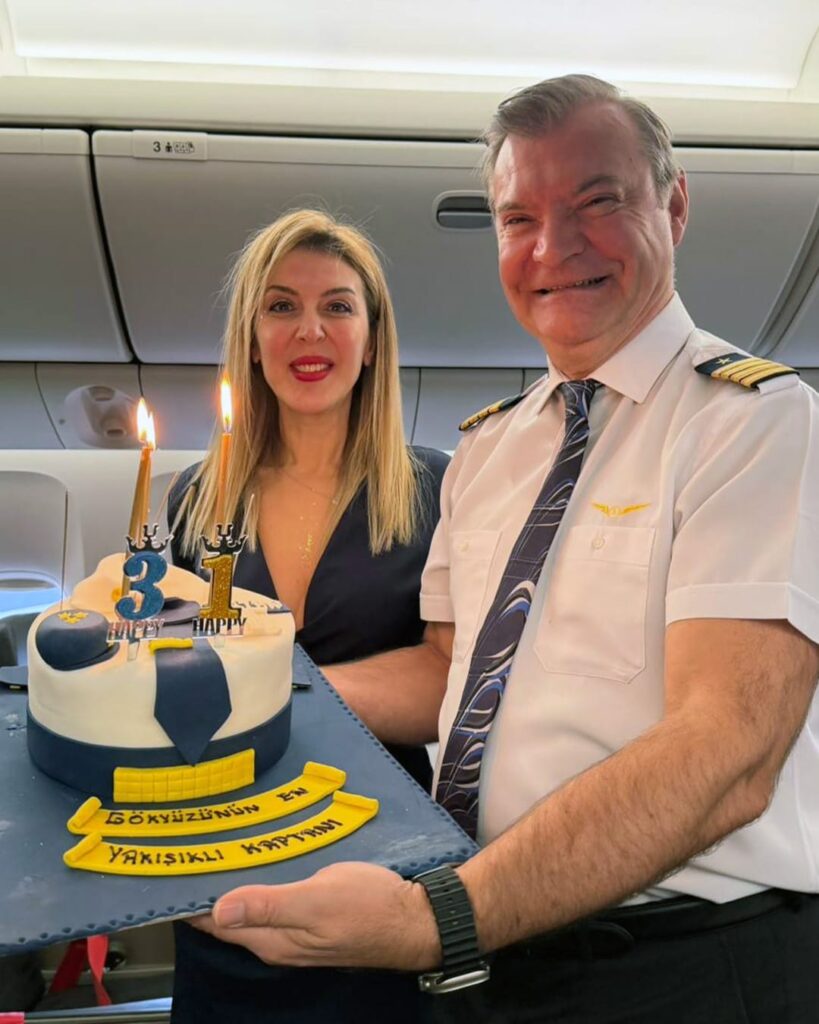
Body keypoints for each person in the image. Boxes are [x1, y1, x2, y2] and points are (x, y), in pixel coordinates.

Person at [192, 75, 819, 1022]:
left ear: (674, 204)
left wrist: (438, 917)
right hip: (496, 950)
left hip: (678, 960)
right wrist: (257, 680)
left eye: (596, 202)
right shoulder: (488, 451)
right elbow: (447, 675)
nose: (552, 249)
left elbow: (728, 747)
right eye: (518, 217)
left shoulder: (754, 424)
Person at [167, 208, 448, 1023]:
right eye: (281, 306)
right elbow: (165, 672)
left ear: (373, 338)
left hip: (380, 861)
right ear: (251, 339)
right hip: (217, 856)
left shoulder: (434, 489)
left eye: (338, 306)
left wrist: (269, 687)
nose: (309, 330)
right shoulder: (195, 497)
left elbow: (448, 685)